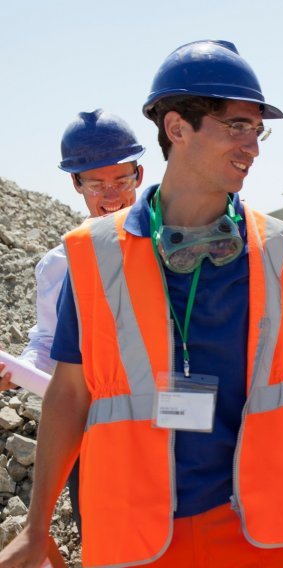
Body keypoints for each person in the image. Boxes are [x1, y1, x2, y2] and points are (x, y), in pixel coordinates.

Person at [0, 40, 283, 568]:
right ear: (177, 128)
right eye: (235, 127)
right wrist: (36, 526)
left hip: (253, 530)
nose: (252, 147)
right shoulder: (93, 256)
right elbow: (69, 395)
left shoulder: (280, 249)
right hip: (132, 533)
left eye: (256, 130)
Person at [0, 109, 145, 536]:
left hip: (173, 432)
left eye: (121, 180)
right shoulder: (59, 265)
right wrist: (19, 370)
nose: (112, 195)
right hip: (94, 436)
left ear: (140, 174)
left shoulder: (173, 249)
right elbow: (48, 343)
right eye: (97, 184)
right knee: (106, 541)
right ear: (76, 184)